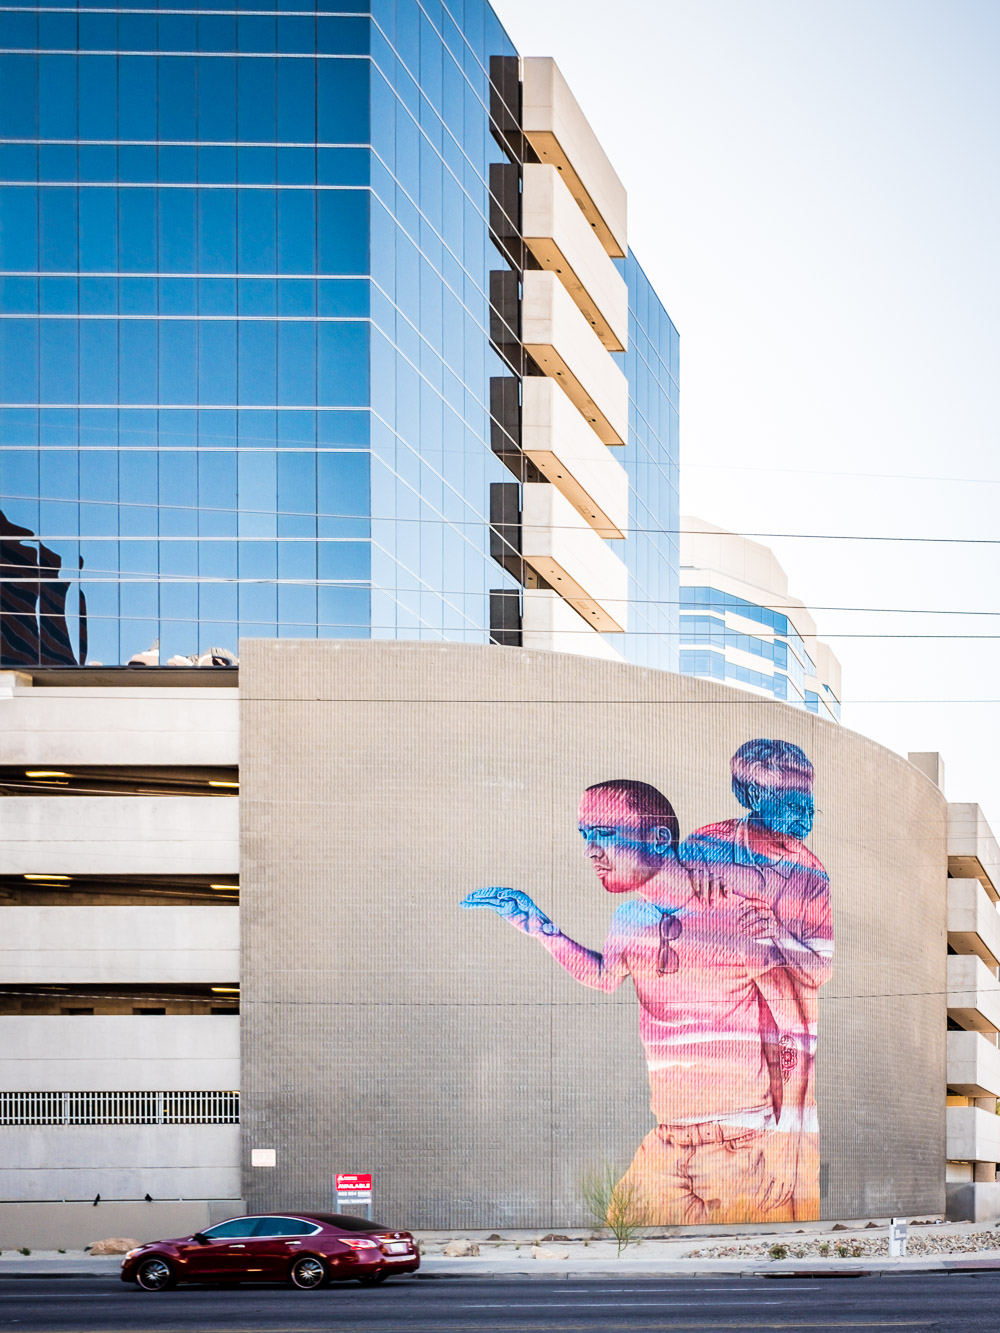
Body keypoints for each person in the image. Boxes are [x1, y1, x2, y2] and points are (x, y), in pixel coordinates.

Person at [461, 777, 812, 1225]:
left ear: (658, 838)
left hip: (741, 1142)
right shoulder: (628, 919)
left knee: (733, 1269)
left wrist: (787, 1143)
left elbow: (793, 1030)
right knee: (621, 1235)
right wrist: (536, 924)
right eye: (585, 836)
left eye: (604, 833)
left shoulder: (736, 915)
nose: (590, 850)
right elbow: (605, 976)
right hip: (667, 1139)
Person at [682, 739, 834, 1219]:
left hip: (786, 1044)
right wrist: (686, 890)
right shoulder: (704, 846)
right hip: (717, 1042)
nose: (804, 814)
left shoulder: (813, 875)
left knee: (783, 1184)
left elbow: (822, 968)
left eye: (808, 801)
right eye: (791, 801)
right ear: (751, 794)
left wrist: (779, 935)